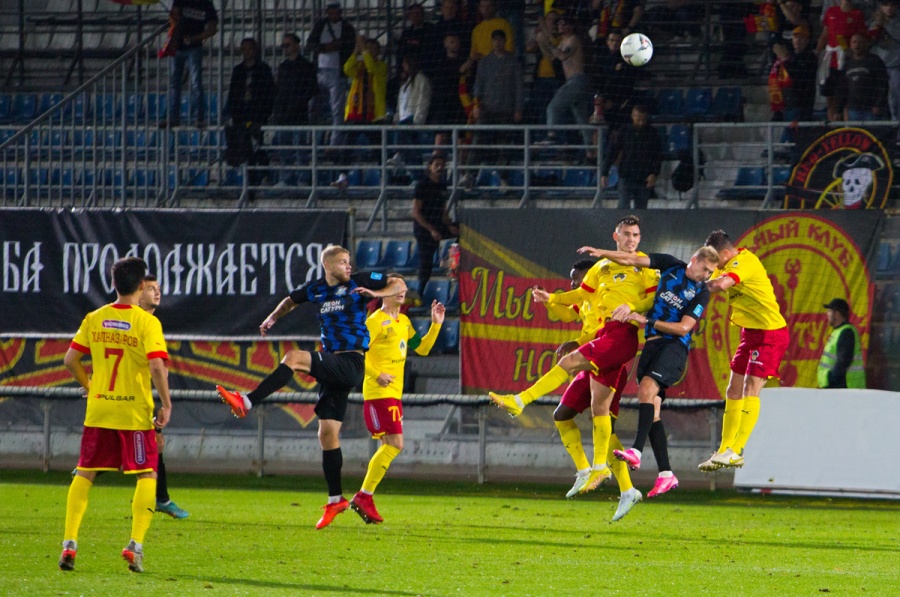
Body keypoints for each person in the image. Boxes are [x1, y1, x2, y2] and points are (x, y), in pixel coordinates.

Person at [216, 246, 406, 530]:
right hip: (334, 366)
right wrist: (272, 318)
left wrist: (375, 293)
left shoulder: (360, 281)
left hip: (351, 361)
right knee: (327, 433)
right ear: (328, 266)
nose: (348, 266)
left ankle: (247, 401)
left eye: (349, 262)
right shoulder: (316, 289)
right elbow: (291, 301)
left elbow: (399, 284)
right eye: (342, 262)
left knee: (293, 358)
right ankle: (335, 499)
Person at [489, 215, 658, 499]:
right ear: (616, 237)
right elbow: (580, 295)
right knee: (596, 411)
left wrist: (632, 306)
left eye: (636, 235)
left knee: (569, 365)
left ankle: (520, 401)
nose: (631, 239)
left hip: (622, 335)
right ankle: (612, 479)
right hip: (605, 335)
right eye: (627, 234)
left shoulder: (645, 266)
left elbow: (653, 299)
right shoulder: (601, 267)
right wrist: (552, 299)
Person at [58, 257, 172, 573]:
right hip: (133, 413)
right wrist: (166, 403)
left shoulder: (95, 317)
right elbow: (156, 366)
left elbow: (70, 360)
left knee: (85, 473)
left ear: (113, 284)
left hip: (99, 410)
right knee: (147, 474)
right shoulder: (147, 322)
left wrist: (90, 385)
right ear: (141, 286)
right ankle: (135, 545)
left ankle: (69, 543)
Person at [579, 247, 719, 498]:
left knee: (645, 390)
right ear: (694, 260)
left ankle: (636, 451)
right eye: (705, 269)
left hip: (673, 347)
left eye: (710, 272)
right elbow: (631, 259)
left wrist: (648, 321)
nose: (706, 275)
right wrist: (601, 253)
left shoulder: (701, 292)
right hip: (652, 345)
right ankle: (666, 474)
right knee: (652, 411)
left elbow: (683, 328)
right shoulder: (670, 265)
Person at [532, 259, 642, 521]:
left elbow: (609, 333)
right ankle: (585, 470)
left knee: (605, 428)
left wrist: (579, 341)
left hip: (608, 362)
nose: (573, 283)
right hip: (590, 360)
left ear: (593, 276)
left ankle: (625, 488)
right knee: (562, 414)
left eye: (577, 278)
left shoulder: (607, 299)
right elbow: (566, 314)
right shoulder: (584, 302)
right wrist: (549, 302)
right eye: (572, 279)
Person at [350, 284, 445, 524]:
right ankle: (364, 496)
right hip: (379, 392)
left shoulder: (404, 322)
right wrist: (376, 374)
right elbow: (356, 352)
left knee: (390, 445)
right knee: (395, 444)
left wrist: (436, 324)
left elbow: (422, 349)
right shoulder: (374, 321)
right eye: (395, 287)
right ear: (383, 293)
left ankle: (365, 497)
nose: (402, 291)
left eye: (403, 287)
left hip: (394, 393)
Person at [698, 230, 790, 472]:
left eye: (715, 259)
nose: (713, 265)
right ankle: (723, 451)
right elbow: (705, 278)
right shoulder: (722, 264)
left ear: (725, 253)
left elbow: (720, 285)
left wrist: (692, 286)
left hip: (770, 333)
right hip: (750, 333)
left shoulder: (745, 261)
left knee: (751, 388)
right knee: (733, 389)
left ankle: (736, 451)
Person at [139, 275, 189, 519]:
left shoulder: (148, 321)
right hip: (129, 398)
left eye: (158, 288)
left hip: (138, 396)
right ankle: (86, 470)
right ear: (138, 293)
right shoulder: (142, 322)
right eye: (151, 289)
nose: (157, 292)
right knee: (142, 450)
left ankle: (161, 498)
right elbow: (157, 368)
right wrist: (166, 404)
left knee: (155, 444)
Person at [465, 29, 523, 190]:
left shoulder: (513, 61)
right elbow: (478, 86)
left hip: (506, 109)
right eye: (495, 40)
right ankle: (470, 175)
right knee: (478, 142)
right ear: (492, 42)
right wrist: (476, 106)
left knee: (505, 146)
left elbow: (519, 86)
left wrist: (518, 108)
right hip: (487, 110)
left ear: (505, 42)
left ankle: (503, 178)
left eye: (500, 40)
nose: (498, 43)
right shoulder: (484, 62)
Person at [535, 14, 593, 157]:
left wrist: (546, 41)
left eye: (563, 23)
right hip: (573, 82)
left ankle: (552, 136)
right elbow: (551, 57)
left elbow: (562, 56)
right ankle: (591, 153)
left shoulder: (573, 39)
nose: (560, 26)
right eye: (559, 23)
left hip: (577, 81)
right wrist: (541, 42)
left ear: (570, 26)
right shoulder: (563, 41)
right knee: (582, 121)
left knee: (553, 107)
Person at [225, 38, 275, 191]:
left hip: (257, 115)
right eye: (244, 49)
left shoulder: (263, 69)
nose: (247, 52)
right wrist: (233, 113)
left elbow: (269, 93)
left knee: (258, 145)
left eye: (250, 48)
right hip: (241, 116)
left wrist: (264, 113)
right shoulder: (238, 70)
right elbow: (233, 94)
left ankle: (264, 175)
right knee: (245, 148)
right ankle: (250, 181)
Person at [306, 2, 357, 148]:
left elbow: (350, 47)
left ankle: (335, 143)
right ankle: (311, 141)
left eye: (336, 12)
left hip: (337, 72)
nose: (333, 15)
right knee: (313, 107)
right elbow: (310, 44)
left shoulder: (347, 28)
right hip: (319, 71)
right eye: (331, 12)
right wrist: (325, 48)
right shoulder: (320, 25)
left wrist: (339, 47)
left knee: (337, 110)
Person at [162, 0, 218, 129]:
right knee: (174, 83)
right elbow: (173, 17)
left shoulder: (206, 4)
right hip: (177, 46)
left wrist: (195, 38)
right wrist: (174, 21)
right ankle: (173, 117)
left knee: (195, 82)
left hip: (194, 47)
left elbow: (212, 29)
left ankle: (198, 117)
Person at [273, 33, 317, 187]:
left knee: (300, 148)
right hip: (284, 114)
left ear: (297, 45)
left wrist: (299, 102)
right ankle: (286, 178)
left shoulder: (307, 66)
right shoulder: (283, 66)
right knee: (284, 149)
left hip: (299, 113)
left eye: (288, 45)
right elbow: (278, 90)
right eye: (284, 45)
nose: (285, 48)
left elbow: (311, 89)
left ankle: (302, 178)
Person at [412, 153, 459, 291]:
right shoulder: (422, 185)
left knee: (462, 230)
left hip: (439, 224)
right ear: (430, 167)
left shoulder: (442, 186)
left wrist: (449, 225)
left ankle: (450, 260)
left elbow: (443, 211)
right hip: (424, 229)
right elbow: (416, 212)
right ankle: (420, 292)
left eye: (442, 165)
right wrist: (431, 229)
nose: (440, 168)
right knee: (426, 262)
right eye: (436, 165)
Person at [601, 105, 661, 209]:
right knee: (623, 207)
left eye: (643, 120)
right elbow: (612, 152)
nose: (641, 123)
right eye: (638, 120)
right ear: (632, 116)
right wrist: (604, 172)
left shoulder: (652, 133)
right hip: (626, 175)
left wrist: (654, 173)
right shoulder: (624, 131)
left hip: (644, 177)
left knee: (641, 209)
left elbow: (657, 155)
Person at [817, 0, 867, 121]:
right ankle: (832, 125)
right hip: (830, 61)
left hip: (846, 61)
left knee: (845, 97)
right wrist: (817, 51)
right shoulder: (831, 11)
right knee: (830, 97)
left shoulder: (857, 14)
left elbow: (861, 37)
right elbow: (825, 34)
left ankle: (846, 127)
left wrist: (852, 52)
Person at [593, 29, 637, 128]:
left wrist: (614, 101)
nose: (614, 43)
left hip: (621, 102)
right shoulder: (602, 58)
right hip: (603, 99)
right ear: (607, 42)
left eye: (617, 41)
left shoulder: (626, 59)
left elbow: (626, 82)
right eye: (612, 40)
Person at [818, 298, 866, 388]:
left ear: (836, 314)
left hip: (845, 387)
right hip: (842, 386)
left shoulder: (846, 332)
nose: (827, 314)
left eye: (829, 311)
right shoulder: (839, 331)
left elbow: (843, 361)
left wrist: (831, 379)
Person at [841, 32, 889, 120]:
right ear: (850, 45)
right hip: (852, 109)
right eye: (854, 42)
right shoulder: (847, 64)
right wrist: (840, 109)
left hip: (871, 109)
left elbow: (883, 84)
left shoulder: (875, 61)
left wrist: (878, 104)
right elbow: (843, 87)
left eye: (860, 42)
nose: (857, 45)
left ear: (866, 44)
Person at [870, 0, 900, 125]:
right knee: (878, 97)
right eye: (886, 5)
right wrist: (875, 31)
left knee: (895, 98)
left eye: (892, 5)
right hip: (879, 66)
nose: (889, 8)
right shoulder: (874, 22)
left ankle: (896, 125)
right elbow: (868, 41)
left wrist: (885, 28)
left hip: (895, 65)